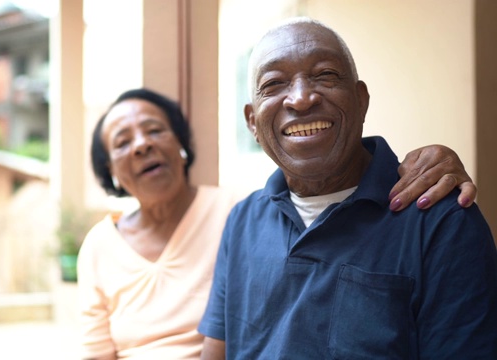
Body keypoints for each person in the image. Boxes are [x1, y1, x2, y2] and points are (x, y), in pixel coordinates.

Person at [77, 88, 478, 360]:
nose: (143, 144)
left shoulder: (241, 213)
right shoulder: (98, 246)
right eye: (123, 141)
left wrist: (434, 160)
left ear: (180, 146)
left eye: (154, 130)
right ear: (109, 170)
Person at [198, 17, 497, 359]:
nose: (300, 99)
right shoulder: (243, 221)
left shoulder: (439, 220)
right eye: (274, 83)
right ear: (252, 121)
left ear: (361, 100)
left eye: (325, 75)